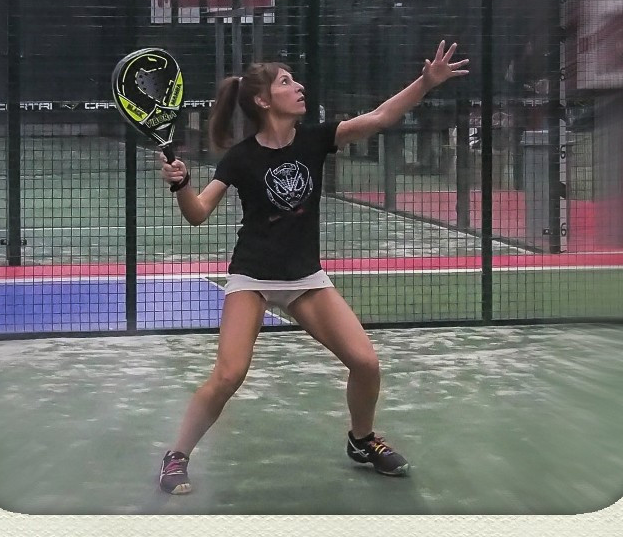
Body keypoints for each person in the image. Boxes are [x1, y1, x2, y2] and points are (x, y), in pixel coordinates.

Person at [158, 40, 469, 495]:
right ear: (263, 100)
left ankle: (362, 440)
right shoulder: (241, 157)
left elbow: (380, 117)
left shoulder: (317, 138)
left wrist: (425, 83)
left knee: (366, 363)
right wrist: (182, 183)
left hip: (305, 278)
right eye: (287, 82)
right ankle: (176, 456)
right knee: (228, 375)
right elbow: (197, 213)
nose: (299, 86)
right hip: (253, 278)